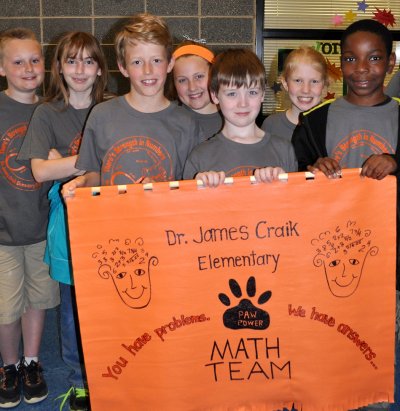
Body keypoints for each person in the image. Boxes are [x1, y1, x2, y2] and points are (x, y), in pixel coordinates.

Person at [292, 19, 400, 411]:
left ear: (389, 63)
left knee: (378, 357)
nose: (361, 69)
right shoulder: (314, 119)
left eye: (374, 58)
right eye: (352, 58)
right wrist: (311, 170)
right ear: (340, 62)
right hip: (326, 262)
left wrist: (395, 161)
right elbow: (295, 183)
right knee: (328, 350)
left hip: (388, 268)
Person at [18, 31, 108, 411]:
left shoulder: (113, 109)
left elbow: (119, 165)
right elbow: (39, 171)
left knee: (111, 307)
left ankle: (113, 375)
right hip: (68, 223)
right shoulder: (48, 113)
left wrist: (65, 161)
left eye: (89, 61)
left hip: (111, 221)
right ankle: (79, 381)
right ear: (59, 67)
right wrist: (90, 160)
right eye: (71, 61)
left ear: (101, 68)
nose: (80, 69)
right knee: (72, 310)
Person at [63, 13, 199, 193]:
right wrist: (82, 182)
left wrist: (164, 190)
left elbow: (190, 188)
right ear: (123, 67)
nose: (148, 70)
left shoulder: (187, 123)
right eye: (137, 62)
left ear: (170, 63)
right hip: (113, 219)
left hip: (164, 220)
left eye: (156, 60)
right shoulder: (101, 115)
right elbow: (96, 173)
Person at [0, 28, 60, 408]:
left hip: (41, 229)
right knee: (6, 306)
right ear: (2, 67)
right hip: (2, 232)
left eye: (35, 60)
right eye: (18, 61)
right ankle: (8, 366)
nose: (28, 68)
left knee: (37, 301)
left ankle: (32, 361)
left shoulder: (52, 110)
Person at [183, 48, 297, 186]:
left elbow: (295, 204)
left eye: (252, 92)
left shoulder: (284, 150)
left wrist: (281, 186)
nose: (243, 103)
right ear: (214, 96)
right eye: (232, 94)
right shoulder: (200, 157)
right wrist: (202, 191)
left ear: (262, 94)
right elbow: (190, 206)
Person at [262, 46, 328, 141]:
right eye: (298, 80)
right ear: (285, 83)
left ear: (324, 84)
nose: (306, 90)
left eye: (314, 81)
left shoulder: (334, 125)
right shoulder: (271, 125)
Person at [170, 40, 223, 140]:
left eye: (199, 76)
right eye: (182, 80)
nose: (192, 87)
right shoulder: (168, 120)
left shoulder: (233, 116)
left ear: (214, 75)